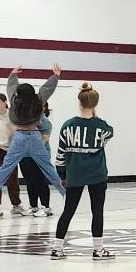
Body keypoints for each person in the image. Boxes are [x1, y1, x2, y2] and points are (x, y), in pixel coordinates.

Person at [0, 66, 64, 206]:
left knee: (6, 167)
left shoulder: (15, 101)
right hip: (35, 137)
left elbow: (11, 87)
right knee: (48, 167)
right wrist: (55, 76)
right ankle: (65, 192)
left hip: (20, 137)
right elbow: (47, 89)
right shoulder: (38, 101)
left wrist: (13, 74)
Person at [52, 84, 114, 259]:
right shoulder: (102, 127)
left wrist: (62, 174)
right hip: (97, 175)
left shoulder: (68, 126)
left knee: (68, 211)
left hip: (74, 174)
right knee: (97, 211)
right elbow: (109, 134)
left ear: (79, 103)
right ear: (95, 104)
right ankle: (98, 250)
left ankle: (57, 248)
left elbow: (60, 154)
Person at [20, 101, 55, 216]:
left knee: (40, 181)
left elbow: (44, 139)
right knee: (30, 181)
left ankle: (46, 207)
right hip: (25, 155)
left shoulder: (44, 122)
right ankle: (33, 206)